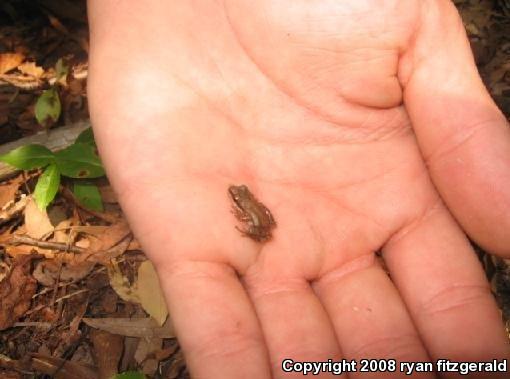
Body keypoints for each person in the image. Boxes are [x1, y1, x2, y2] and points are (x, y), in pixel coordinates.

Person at [86, 1, 510, 377]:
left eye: (237, 196)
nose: (236, 196)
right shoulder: (246, 201)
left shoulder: (246, 205)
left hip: (262, 222)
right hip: (263, 219)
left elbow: (258, 217)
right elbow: (258, 213)